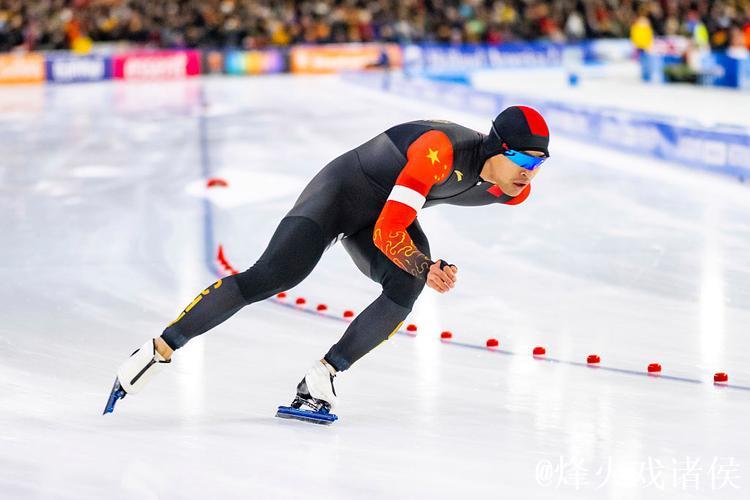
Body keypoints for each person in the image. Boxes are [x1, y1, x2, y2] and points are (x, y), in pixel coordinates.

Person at [103, 105, 551, 420]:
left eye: (539, 162)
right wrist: (425, 265)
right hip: (339, 195)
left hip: (386, 212)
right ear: (498, 146)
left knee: (406, 286)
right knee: (274, 275)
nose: (529, 171)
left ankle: (323, 375)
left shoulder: (512, 191)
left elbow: (393, 224)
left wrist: (421, 269)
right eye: (522, 158)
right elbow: (388, 232)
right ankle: (160, 348)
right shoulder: (439, 150)